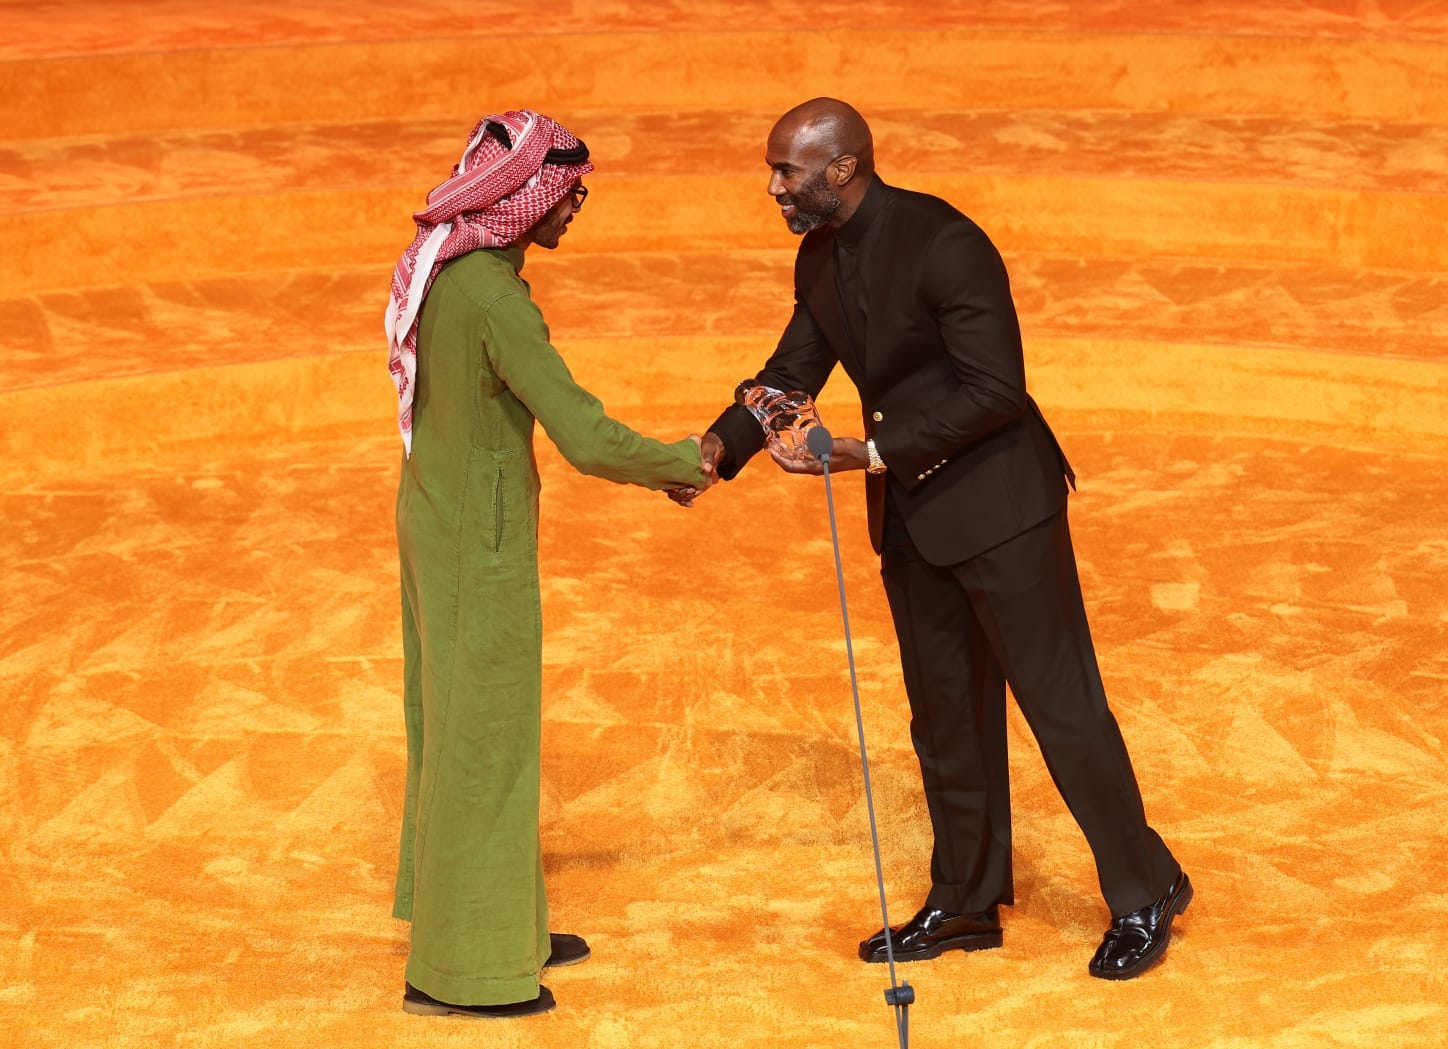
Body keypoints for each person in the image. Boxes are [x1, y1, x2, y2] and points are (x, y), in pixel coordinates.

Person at [681, 98, 1190, 980]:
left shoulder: (946, 243)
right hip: (914, 518)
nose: (773, 188)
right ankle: (965, 900)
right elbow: (792, 368)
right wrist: (721, 449)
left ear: (842, 167)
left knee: (1062, 709)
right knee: (945, 715)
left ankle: (1147, 887)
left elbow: (997, 391)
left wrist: (870, 452)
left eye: (786, 170)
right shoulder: (820, 254)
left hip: (1004, 509)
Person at [384, 109, 710, 1018]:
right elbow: (584, 434)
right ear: (527, 198)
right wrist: (685, 462)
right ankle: (460, 971)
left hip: (437, 517)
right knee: (484, 738)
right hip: (475, 540)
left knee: (457, 726)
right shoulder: (494, 297)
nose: (577, 205)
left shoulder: (457, 273)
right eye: (570, 192)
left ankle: (504, 927)